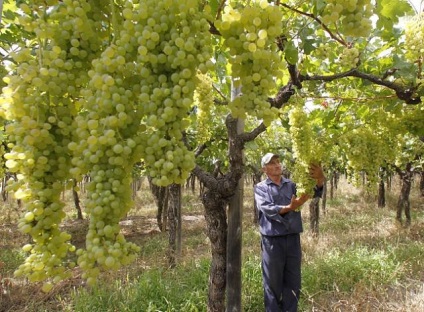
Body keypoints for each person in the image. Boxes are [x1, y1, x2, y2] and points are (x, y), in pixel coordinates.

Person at [254, 152, 325, 312]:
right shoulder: (261, 188)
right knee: (272, 284)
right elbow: (267, 209)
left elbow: (314, 192)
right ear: (264, 169)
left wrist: (320, 179)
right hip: (272, 241)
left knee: (293, 282)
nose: (277, 165)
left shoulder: (292, 185)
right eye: (272, 163)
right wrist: (290, 207)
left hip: (292, 239)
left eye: (278, 162)